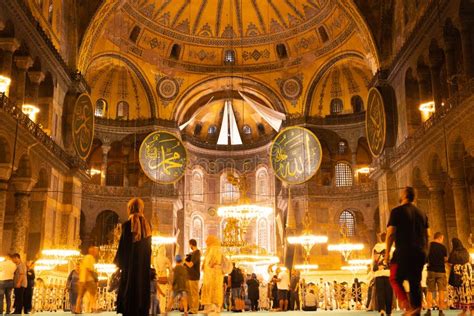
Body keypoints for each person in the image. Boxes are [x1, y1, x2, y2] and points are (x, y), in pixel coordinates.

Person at [385, 187, 429, 315]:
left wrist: (387, 253)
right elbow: (428, 234)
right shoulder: (422, 213)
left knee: (394, 278)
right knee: (415, 282)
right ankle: (416, 311)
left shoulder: (397, 211)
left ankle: (408, 307)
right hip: (420, 252)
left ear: (404, 195)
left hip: (404, 251)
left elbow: (391, 234)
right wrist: (425, 251)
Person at [114, 197, 152, 316]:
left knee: (129, 290)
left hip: (130, 267)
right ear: (141, 209)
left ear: (130, 209)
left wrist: (119, 264)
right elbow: (149, 250)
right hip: (143, 267)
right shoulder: (148, 225)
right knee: (142, 290)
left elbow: (123, 247)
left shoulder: (127, 225)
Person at [447, 238, 472, 315]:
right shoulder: (465, 251)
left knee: (459, 293)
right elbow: (470, 261)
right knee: (467, 292)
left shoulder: (454, 253)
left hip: (458, 277)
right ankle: (468, 310)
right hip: (467, 276)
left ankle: (462, 310)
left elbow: (450, 263)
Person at [425, 232, 448, 316]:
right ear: (440, 238)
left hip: (431, 270)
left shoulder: (429, 246)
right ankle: (441, 311)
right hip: (441, 271)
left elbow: (425, 257)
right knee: (441, 291)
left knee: (430, 291)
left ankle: (428, 310)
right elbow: (445, 259)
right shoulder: (443, 247)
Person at [200, 235, 224, 313]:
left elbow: (215, 260)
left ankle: (216, 306)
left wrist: (211, 265)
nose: (206, 242)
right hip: (208, 274)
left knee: (215, 289)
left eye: (207, 240)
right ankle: (209, 306)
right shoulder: (209, 249)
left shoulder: (216, 248)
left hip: (215, 274)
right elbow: (206, 261)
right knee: (208, 289)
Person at [373, 232, 393, 316]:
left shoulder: (375, 247)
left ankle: (382, 310)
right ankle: (388, 311)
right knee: (389, 292)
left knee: (380, 292)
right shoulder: (391, 248)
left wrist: (375, 269)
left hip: (378, 273)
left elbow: (373, 260)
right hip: (388, 273)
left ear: (380, 238)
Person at [75, 246, 99, 313]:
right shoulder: (90, 258)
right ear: (93, 251)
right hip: (88, 280)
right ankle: (93, 308)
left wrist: (81, 279)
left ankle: (77, 309)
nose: (97, 253)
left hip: (82, 279)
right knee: (93, 293)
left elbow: (79, 269)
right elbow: (88, 269)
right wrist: (94, 278)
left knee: (80, 295)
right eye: (96, 251)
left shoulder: (85, 258)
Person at [184, 239, 201, 314]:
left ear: (191, 244)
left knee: (194, 294)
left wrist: (184, 261)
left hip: (194, 276)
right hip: (189, 276)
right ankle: (191, 308)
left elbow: (190, 265)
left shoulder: (197, 252)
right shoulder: (192, 253)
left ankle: (195, 309)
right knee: (190, 294)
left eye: (189, 244)